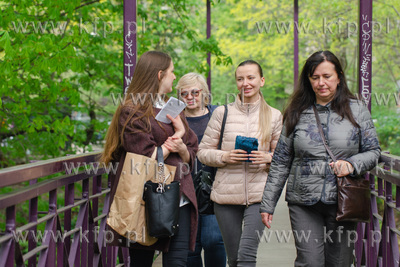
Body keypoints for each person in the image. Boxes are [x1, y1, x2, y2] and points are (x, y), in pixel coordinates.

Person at [260, 50, 381, 266]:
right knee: (310, 262)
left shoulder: (357, 110)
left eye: (327, 76)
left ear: (339, 77)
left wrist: (352, 164)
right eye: (315, 77)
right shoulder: (296, 111)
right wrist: (268, 204)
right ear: (308, 80)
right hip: (303, 201)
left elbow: (374, 152)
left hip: (343, 200)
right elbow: (280, 161)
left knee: (340, 262)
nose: (321, 83)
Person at [100, 51, 199, 267]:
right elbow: (145, 157)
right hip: (145, 199)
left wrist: (181, 146)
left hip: (179, 197)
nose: (175, 77)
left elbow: (192, 153)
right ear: (159, 74)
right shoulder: (132, 111)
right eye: (172, 72)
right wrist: (177, 135)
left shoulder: (174, 108)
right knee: (142, 262)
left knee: (178, 263)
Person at [197, 60, 283, 267]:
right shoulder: (222, 113)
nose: (246, 83)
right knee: (234, 258)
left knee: (246, 255)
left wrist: (269, 158)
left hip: (259, 196)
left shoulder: (274, 115)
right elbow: (202, 152)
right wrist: (224, 157)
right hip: (225, 196)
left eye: (251, 77)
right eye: (240, 79)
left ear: (261, 80)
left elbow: (283, 158)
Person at [175, 72, 227, 267]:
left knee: (213, 239)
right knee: (190, 248)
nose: (190, 97)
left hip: (215, 186)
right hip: (185, 189)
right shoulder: (175, 121)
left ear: (204, 93)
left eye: (195, 92)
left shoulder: (219, 115)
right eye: (184, 93)